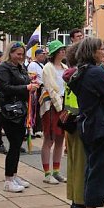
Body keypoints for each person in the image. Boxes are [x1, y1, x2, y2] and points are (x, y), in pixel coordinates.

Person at [68, 37, 104, 208]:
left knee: (92, 167)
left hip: (87, 124)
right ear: (92, 51)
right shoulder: (97, 72)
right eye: (101, 49)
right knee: (100, 171)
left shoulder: (80, 72)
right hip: (100, 125)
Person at [0, 42, 39, 191]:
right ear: (10, 53)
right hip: (9, 110)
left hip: (20, 109)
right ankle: (8, 180)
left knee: (17, 144)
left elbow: (23, 82)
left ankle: (13, 175)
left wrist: (32, 84)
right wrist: (26, 87)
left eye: (22, 54)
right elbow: (5, 88)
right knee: (14, 144)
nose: (20, 57)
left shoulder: (20, 67)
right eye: (18, 54)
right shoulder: (3, 68)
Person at [62, 45, 87, 208]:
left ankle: (74, 202)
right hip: (80, 123)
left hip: (70, 121)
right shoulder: (81, 76)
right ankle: (80, 203)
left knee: (73, 164)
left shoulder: (70, 75)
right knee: (81, 165)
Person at [40, 40, 68, 184]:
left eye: (63, 49)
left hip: (63, 105)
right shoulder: (48, 68)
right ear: (54, 53)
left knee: (60, 139)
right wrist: (60, 106)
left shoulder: (65, 67)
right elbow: (50, 88)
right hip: (52, 106)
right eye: (60, 50)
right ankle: (47, 173)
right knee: (49, 139)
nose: (63, 51)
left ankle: (56, 171)